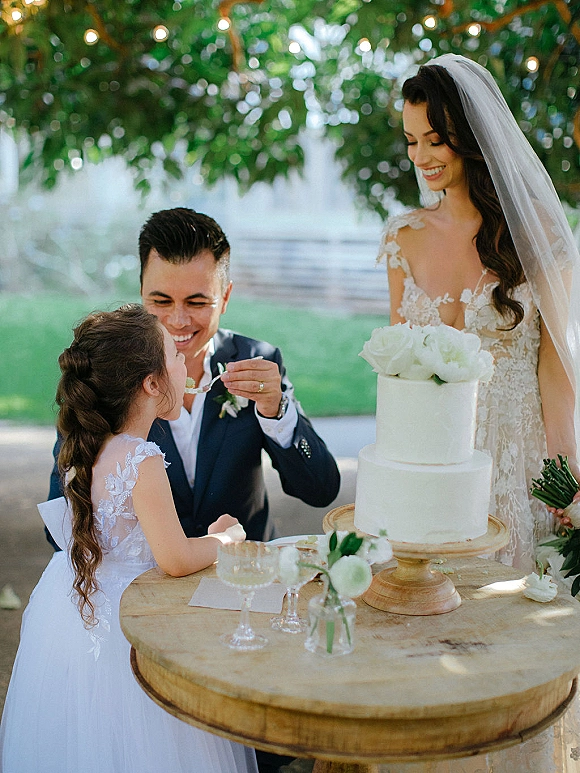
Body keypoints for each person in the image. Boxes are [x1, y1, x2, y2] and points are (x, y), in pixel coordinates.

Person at [46, 208, 340, 773]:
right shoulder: (110, 375)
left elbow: (322, 487)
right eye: (160, 301)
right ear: (139, 292)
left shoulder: (259, 362)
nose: (179, 322)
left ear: (225, 296)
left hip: (243, 605)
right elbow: (64, 517)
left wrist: (277, 410)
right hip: (142, 622)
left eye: (197, 302)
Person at [379, 53, 580, 773]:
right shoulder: (402, 239)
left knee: (511, 654)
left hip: (516, 462)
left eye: (434, 138)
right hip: (436, 471)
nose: (421, 156)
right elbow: (398, 376)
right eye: (411, 140)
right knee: (432, 648)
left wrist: (565, 479)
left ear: (468, 136)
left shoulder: (537, 238)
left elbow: (557, 372)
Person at [0, 305, 257, 773]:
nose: (184, 363)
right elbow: (175, 558)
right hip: (128, 622)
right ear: (152, 384)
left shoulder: (83, 445)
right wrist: (226, 538)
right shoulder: (142, 458)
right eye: (174, 356)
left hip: (71, 606)